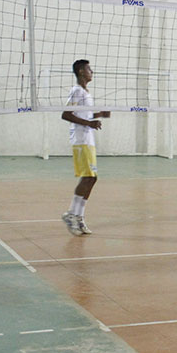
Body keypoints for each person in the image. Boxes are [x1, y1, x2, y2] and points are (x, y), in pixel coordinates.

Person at [61, 59, 111, 236]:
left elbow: (85, 114)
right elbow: (66, 114)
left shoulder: (85, 92)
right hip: (81, 139)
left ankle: (79, 216)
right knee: (88, 177)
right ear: (81, 71)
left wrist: (99, 115)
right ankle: (71, 214)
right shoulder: (76, 91)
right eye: (89, 69)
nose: (92, 72)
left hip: (88, 140)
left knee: (92, 178)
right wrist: (89, 123)